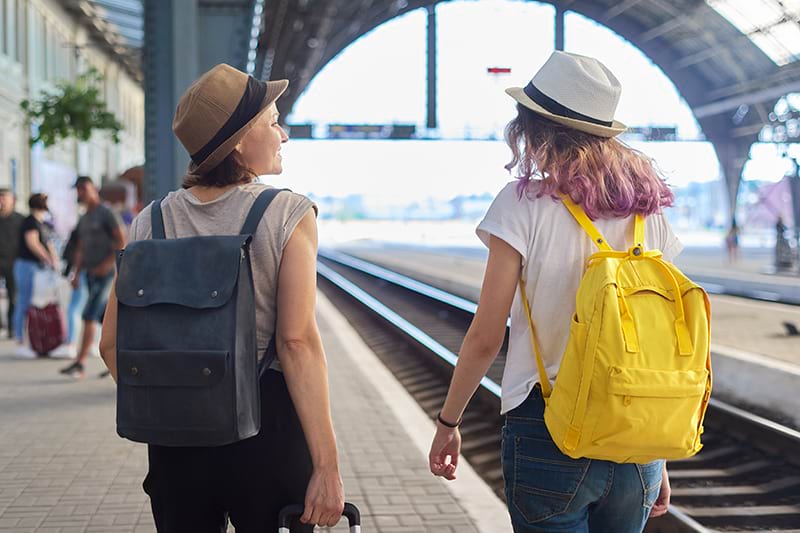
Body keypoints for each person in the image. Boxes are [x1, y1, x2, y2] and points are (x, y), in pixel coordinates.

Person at [428, 51, 677, 532]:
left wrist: (448, 422)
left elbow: (485, 335)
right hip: (636, 435)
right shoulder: (649, 212)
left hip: (549, 428)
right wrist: (659, 457)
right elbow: (658, 341)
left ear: (534, 128)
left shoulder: (523, 204)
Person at [98, 64, 344, 531]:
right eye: (272, 122)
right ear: (236, 142)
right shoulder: (288, 212)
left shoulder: (150, 221)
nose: (284, 134)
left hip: (175, 440)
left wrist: (174, 401)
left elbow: (111, 343)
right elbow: (296, 344)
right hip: (266, 433)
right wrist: (327, 466)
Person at [59, 176, 126, 378]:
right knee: (108, 319)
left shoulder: (106, 213)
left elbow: (121, 239)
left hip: (107, 275)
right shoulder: (85, 217)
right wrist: (76, 273)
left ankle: (79, 362)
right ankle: (120, 359)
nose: (80, 193)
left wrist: (108, 266)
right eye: (77, 189)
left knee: (88, 314)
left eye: (83, 188)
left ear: (93, 188)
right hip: (90, 274)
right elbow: (80, 248)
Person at [12, 193, 59, 358]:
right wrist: (49, 259)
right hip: (27, 265)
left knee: (33, 303)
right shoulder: (30, 222)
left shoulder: (41, 223)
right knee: (24, 302)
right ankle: (20, 340)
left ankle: (29, 339)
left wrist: (54, 259)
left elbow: (48, 243)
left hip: (36, 267)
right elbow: (33, 243)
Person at [0, 188, 25, 339]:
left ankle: (12, 328)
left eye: (4, 198)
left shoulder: (20, 220)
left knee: (13, 296)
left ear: (12, 201)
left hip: (13, 263)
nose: (1, 201)